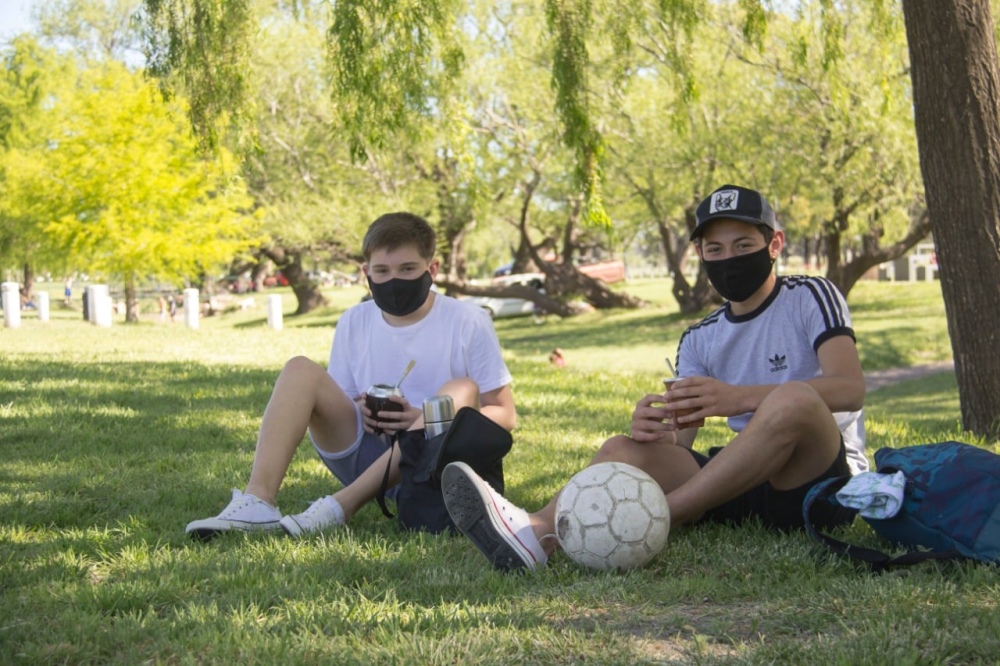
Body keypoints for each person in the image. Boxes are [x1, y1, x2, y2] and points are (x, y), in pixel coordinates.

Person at [441, 184, 868, 571]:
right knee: (621, 448)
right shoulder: (699, 338)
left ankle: (660, 517)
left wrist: (739, 398)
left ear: (774, 244)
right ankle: (536, 533)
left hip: (815, 478)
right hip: (743, 480)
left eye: (743, 244)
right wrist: (656, 432)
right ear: (700, 254)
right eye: (714, 250)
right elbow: (682, 446)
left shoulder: (811, 296)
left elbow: (850, 389)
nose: (728, 259)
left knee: (793, 398)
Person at [186, 212, 516, 540]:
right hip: (366, 451)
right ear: (366, 273)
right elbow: (341, 400)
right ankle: (257, 501)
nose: (394, 281)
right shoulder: (353, 321)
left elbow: (504, 414)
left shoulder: (469, 320)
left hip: (431, 464)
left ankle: (339, 507)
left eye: (407, 269)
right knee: (299, 368)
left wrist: (423, 419)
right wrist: (362, 408)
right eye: (382, 271)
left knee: (460, 389)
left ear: (433, 269)